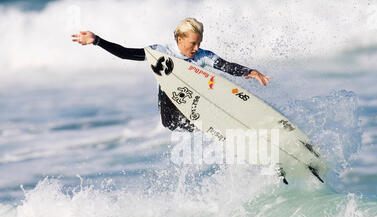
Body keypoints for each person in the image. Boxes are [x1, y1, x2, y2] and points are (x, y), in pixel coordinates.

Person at [72, 17, 272, 132]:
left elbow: (225, 66)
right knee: (171, 125)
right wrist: (97, 40)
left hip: (197, 101)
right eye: (192, 43)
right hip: (171, 108)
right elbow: (126, 53)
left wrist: (250, 71)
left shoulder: (203, 56)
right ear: (179, 39)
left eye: (199, 43)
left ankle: (235, 120)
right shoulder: (160, 51)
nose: (196, 48)